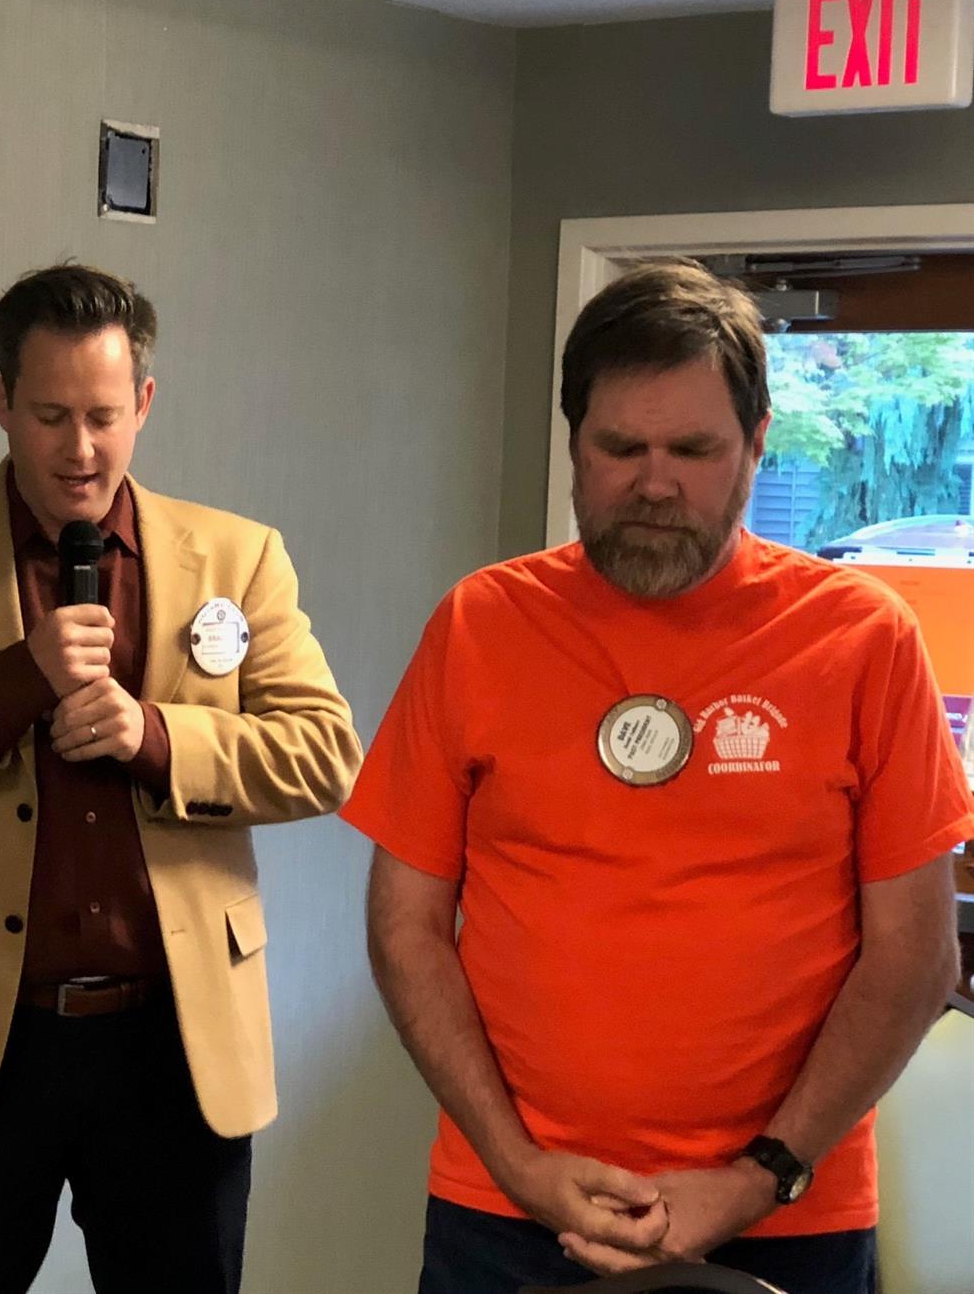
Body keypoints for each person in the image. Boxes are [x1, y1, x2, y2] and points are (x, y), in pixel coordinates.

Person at [344, 260, 974, 1294]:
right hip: (508, 1213)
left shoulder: (864, 640)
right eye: (620, 446)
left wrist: (756, 1177)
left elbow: (915, 955)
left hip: (788, 1213)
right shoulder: (480, 626)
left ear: (757, 443)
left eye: (693, 448)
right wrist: (518, 1163)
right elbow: (405, 924)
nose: (654, 482)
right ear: (574, 442)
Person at [0, 263, 362, 1292]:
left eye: (102, 415)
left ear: (145, 401)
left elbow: (326, 753)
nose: (80, 449)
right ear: (1, 401)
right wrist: (11, 682)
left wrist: (157, 737)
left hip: (173, 1045)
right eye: (50, 415)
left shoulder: (238, 555)